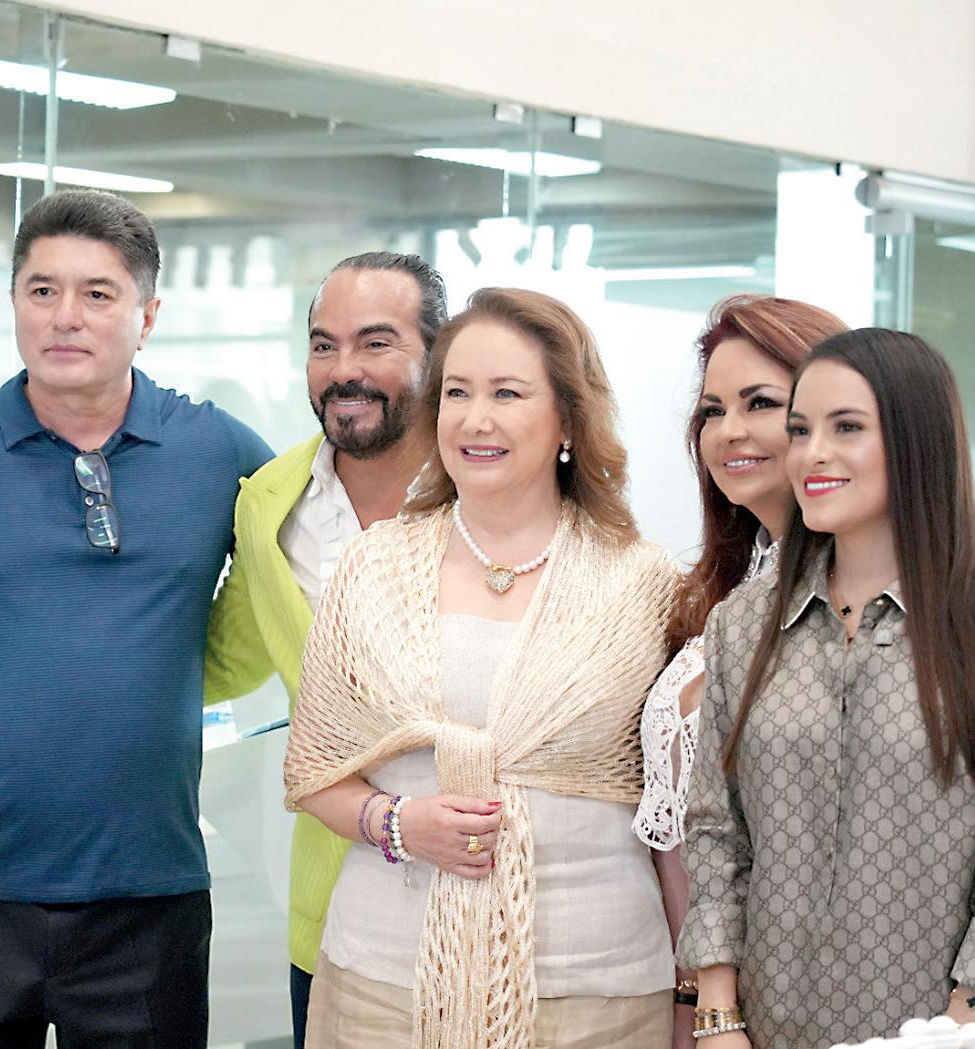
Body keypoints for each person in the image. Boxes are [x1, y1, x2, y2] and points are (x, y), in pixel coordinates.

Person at [0, 189, 272, 1049]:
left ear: (147, 316)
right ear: (13, 301)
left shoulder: (220, 453)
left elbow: (318, 576)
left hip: (149, 898)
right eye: (42, 290)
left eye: (97, 293)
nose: (65, 316)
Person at [284, 288, 679, 1048]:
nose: (475, 419)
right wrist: (399, 823)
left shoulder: (643, 581)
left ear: (569, 418)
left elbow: (675, 811)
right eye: (457, 393)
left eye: (508, 393)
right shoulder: (373, 566)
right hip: (384, 982)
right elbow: (315, 770)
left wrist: (700, 990)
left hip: (597, 989)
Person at [679, 329, 975, 1047]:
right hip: (761, 1029)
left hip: (936, 1031)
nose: (812, 454)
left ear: (915, 442)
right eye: (801, 430)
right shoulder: (743, 623)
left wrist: (957, 1020)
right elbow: (717, 829)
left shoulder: (964, 621)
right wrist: (719, 1017)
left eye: (846, 428)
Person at [203, 250, 448, 1047]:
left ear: (437, 355)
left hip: (490, 896)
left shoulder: (488, 490)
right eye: (323, 344)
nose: (344, 370)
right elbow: (232, 656)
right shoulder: (270, 503)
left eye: (376, 342)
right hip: (335, 905)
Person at [631, 296, 847, 1045]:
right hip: (697, 1000)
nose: (729, 432)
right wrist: (696, 1003)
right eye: (712, 411)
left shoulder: (866, 604)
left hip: (810, 1002)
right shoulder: (718, 594)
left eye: (760, 403)